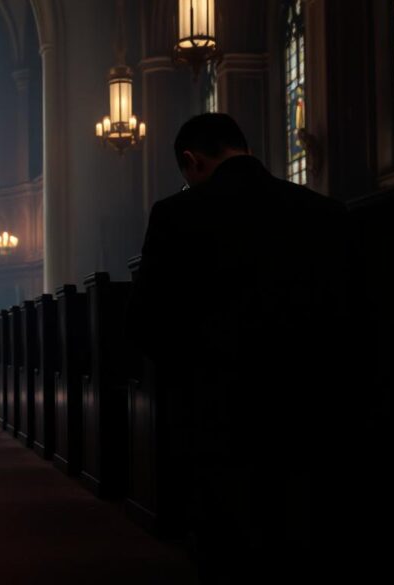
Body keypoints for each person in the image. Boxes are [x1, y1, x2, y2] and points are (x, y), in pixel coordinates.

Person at [129, 114, 349, 584]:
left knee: (227, 542)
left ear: (191, 161)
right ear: (245, 148)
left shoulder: (175, 214)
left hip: (215, 408)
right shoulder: (325, 212)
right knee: (302, 535)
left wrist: (184, 382)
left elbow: (148, 320)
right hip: (310, 405)